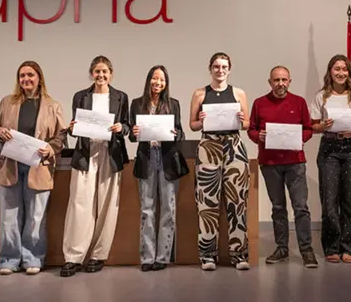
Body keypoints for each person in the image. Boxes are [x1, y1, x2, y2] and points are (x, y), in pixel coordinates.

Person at [0, 61, 66, 275]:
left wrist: (50, 148)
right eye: (22, 76)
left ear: (39, 78)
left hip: (39, 167)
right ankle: (9, 260)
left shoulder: (53, 105)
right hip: (10, 167)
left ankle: (33, 258)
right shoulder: (7, 102)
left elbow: (61, 135)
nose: (26, 79)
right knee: (9, 217)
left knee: (36, 217)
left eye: (30, 75)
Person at [61, 56, 130, 277]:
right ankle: (73, 257)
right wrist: (72, 128)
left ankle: (98, 255)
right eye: (97, 72)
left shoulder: (121, 97)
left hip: (110, 153)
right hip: (86, 152)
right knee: (79, 203)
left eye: (104, 72)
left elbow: (127, 126)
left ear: (111, 74)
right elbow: (76, 127)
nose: (101, 75)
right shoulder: (80, 96)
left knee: (107, 205)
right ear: (92, 74)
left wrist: (121, 128)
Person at [248, 66, 317, 268]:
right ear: (270, 82)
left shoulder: (299, 102)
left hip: (295, 162)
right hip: (270, 164)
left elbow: (309, 129)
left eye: (284, 80)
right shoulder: (259, 103)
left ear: (289, 81)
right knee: (278, 207)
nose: (280, 83)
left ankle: (306, 250)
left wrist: (300, 138)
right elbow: (251, 130)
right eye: (276, 80)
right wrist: (258, 136)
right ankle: (282, 249)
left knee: (301, 207)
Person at [189, 52, 251, 271]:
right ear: (210, 69)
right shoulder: (200, 93)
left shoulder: (239, 93)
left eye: (224, 66)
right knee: (207, 204)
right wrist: (201, 121)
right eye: (216, 66)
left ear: (229, 69)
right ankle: (207, 256)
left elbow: (247, 124)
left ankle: (239, 255)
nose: (220, 70)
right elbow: (192, 125)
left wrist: (243, 120)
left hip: (234, 146)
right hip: (209, 146)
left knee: (238, 201)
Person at [310, 55, 351, 264]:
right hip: (329, 148)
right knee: (329, 201)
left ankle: (347, 247)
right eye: (337, 69)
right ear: (330, 71)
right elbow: (312, 126)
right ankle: (331, 247)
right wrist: (323, 126)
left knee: (350, 201)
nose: (340, 73)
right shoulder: (321, 96)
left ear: (349, 72)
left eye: (344, 69)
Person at [129, 65, 188, 272]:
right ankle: (147, 257)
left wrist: (175, 133)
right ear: (149, 80)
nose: (158, 82)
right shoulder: (137, 103)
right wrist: (134, 132)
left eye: (162, 80)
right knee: (147, 208)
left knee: (168, 209)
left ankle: (163, 256)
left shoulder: (173, 104)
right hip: (146, 158)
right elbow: (132, 135)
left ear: (166, 83)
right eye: (155, 78)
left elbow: (181, 133)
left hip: (167, 158)